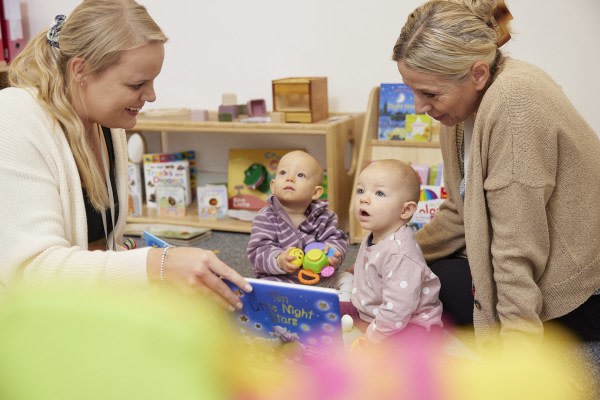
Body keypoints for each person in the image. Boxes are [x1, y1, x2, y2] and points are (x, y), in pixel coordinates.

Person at [0, 0, 251, 308]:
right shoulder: (14, 116)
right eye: (137, 84)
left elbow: (101, 252)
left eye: (152, 81)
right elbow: (33, 271)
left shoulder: (107, 125)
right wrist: (159, 264)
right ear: (80, 70)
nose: (151, 96)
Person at [392, 0, 600, 351]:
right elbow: (460, 212)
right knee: (409, 272)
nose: (418, 107)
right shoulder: (458, 111)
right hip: (537, 253)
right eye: (412, 90)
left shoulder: (514, 103)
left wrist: (516, 353)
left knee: (430, 286)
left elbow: (516, 246)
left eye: (428, 93)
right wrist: (391, 252)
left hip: (583, 288)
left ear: (477, 74)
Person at [342, 159, 443, 343]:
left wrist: (373, 338)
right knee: (331, 310)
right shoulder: (376, 234)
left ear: (405, 210)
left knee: (397, 352)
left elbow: (398, 310)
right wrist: (357, 270)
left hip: (408, 322)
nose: (364, 198)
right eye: (361, 190)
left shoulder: (400, 254)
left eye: (379, 193)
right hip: (370, 310)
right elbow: (374, 264)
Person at [246, 150, 353, 300]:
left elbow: (336, 239)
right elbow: (257, 251)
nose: (289, 178)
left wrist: (333, 254)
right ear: (273, 185)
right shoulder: (266, 217)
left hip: (318, 280)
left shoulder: (325, 216)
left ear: (316, 193)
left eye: (300, 175)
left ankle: (340, 309)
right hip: (280, 280)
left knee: (348, 279)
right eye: (283, 172)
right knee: (258, 289)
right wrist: (279, 259)